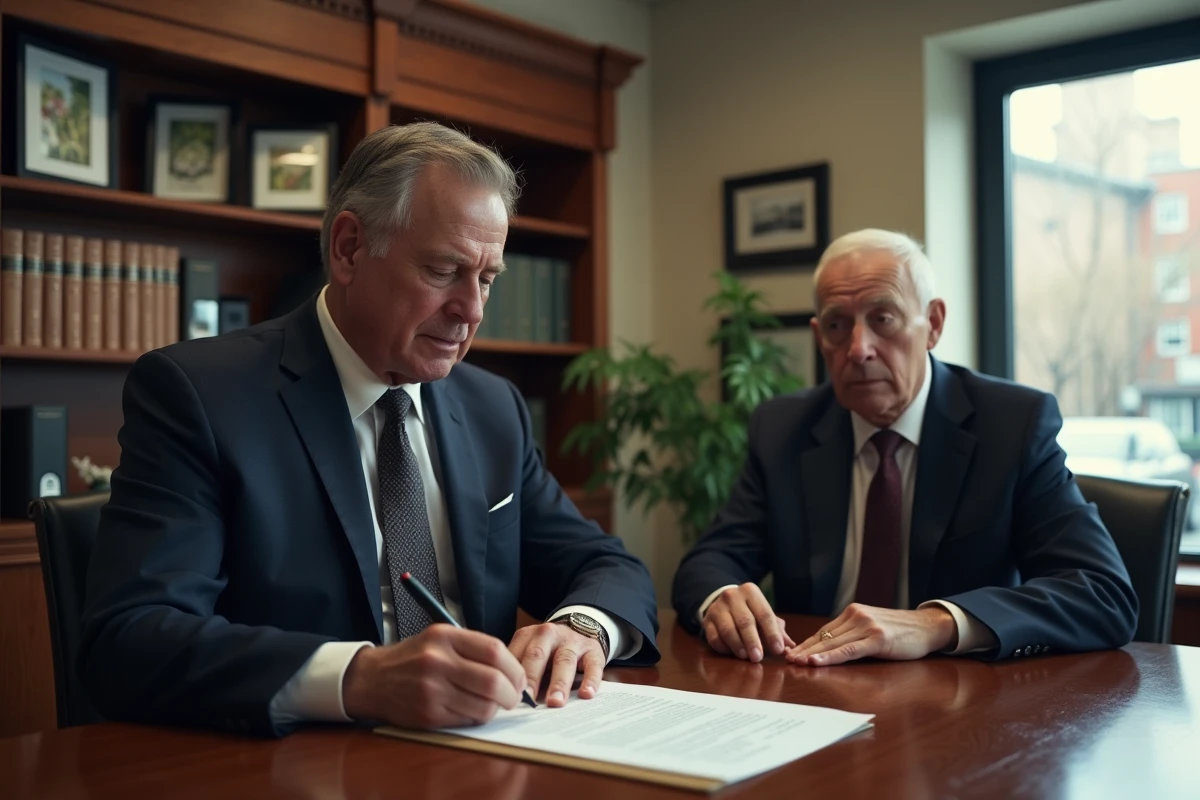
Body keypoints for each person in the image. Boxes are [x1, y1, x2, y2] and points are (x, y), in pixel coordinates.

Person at [80, 122, 659, 737]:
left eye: (487, 278)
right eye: (444, 270)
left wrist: (582, 625)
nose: (473, 310)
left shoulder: (494, 409)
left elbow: (605, 563)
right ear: (350, 248)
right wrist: (359, 678)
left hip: (493, 752)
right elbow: (130, 637)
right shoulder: (199, 394)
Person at [672, 228, 1137, 666]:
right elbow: (710, 562)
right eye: (838, 325)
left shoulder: (1012, 424)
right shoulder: (782, 428)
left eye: (883, 318)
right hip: (814, 683)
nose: (858, 349)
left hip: (962, 706)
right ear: (819, 338)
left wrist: (935, 623)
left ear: (933, 324)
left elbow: (1101, 592)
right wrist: (722, 597)